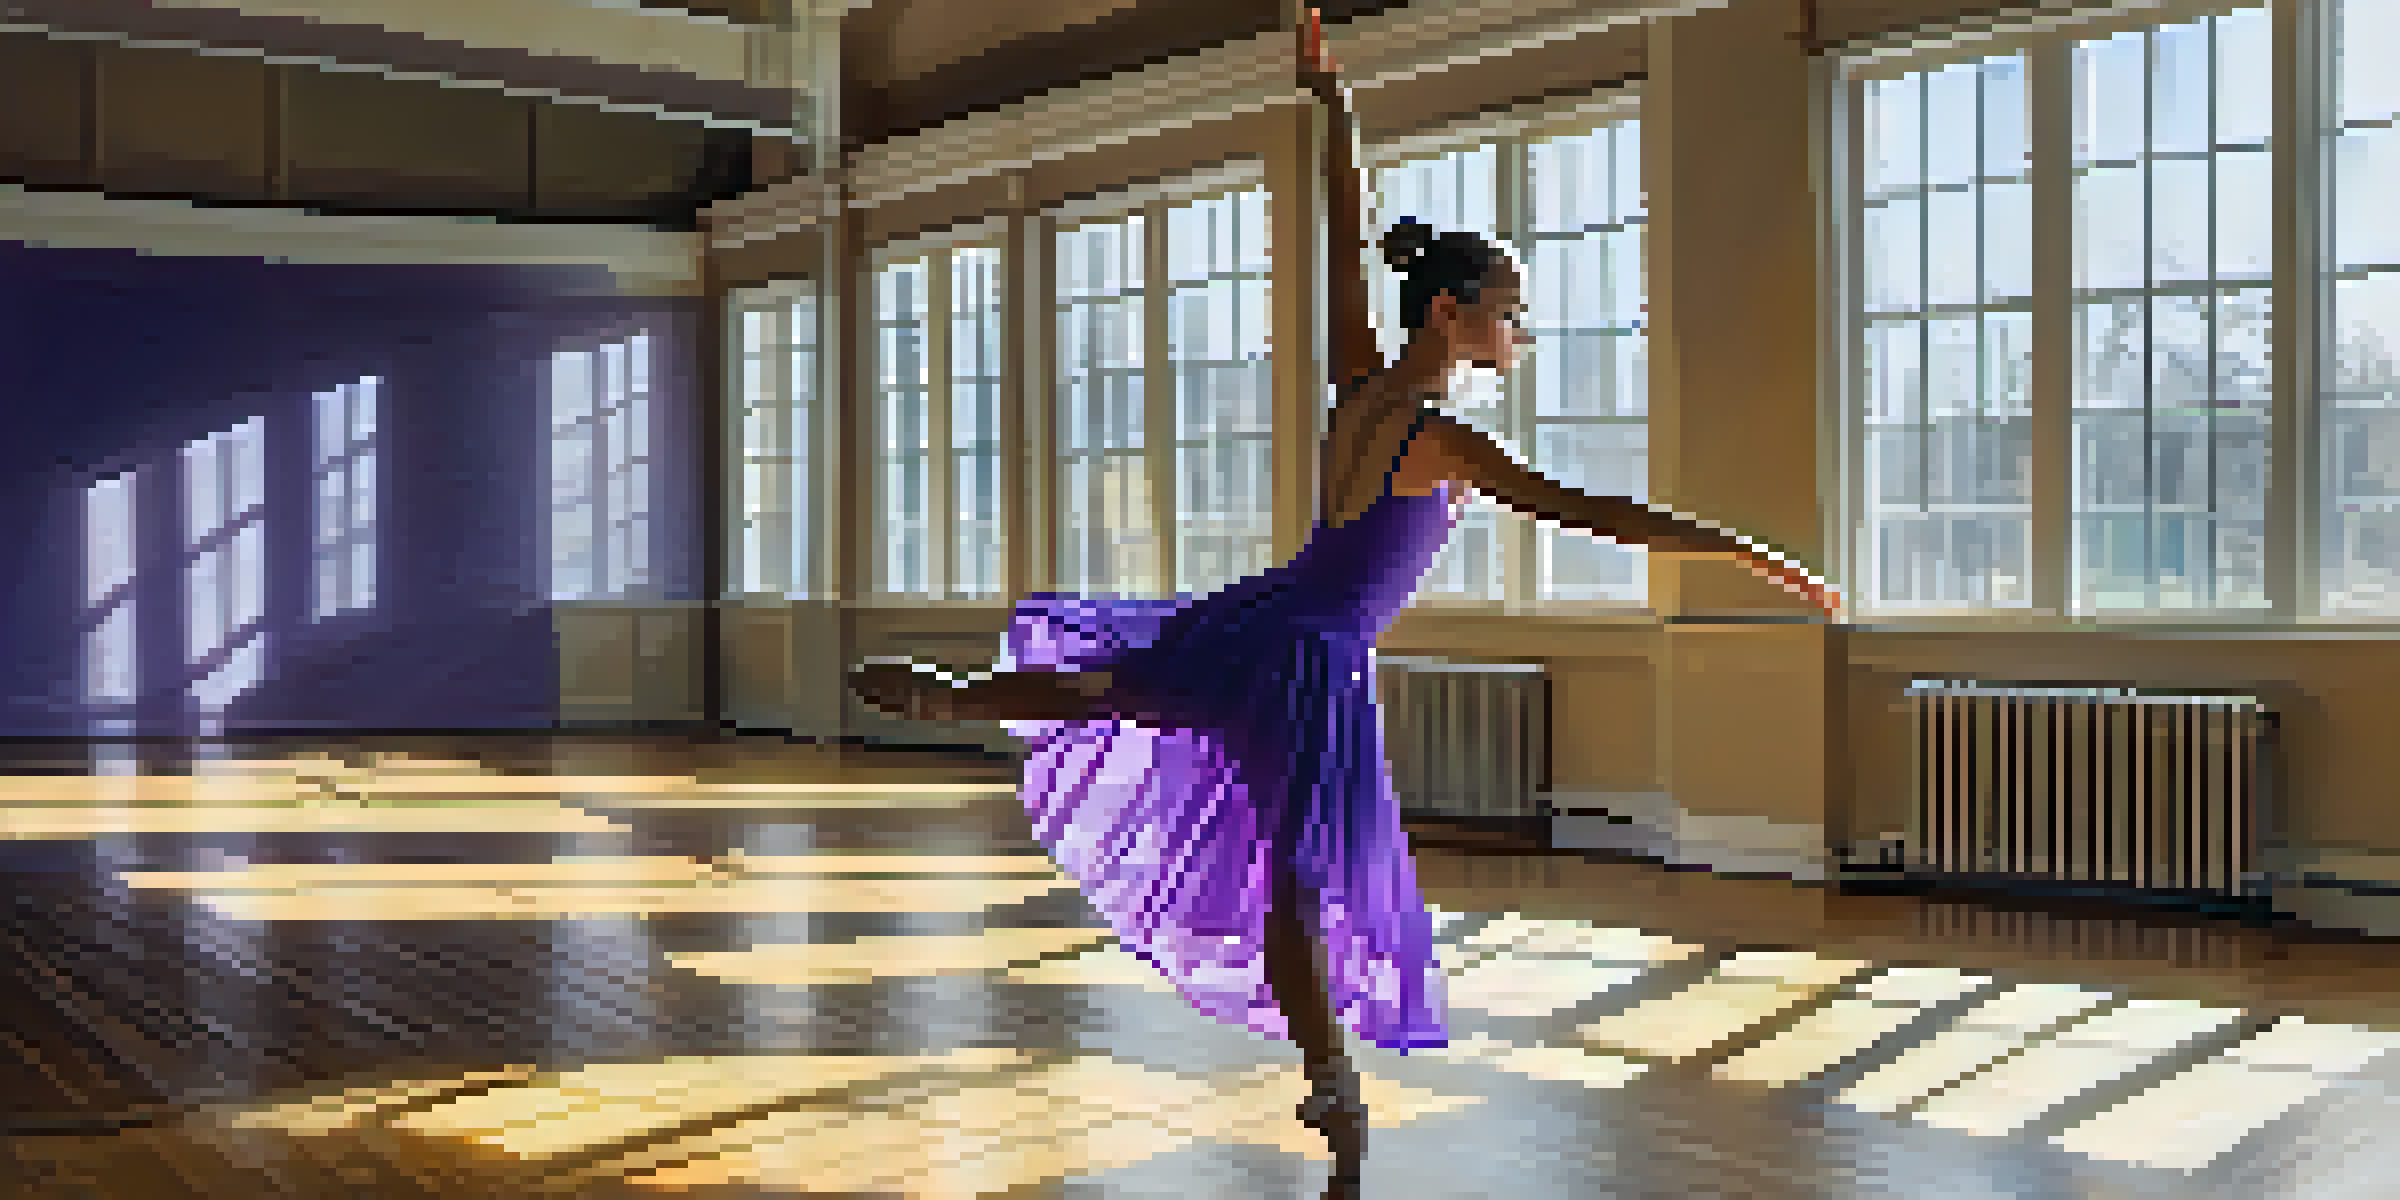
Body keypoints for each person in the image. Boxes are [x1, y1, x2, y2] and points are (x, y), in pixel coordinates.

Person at [850, 11, 1838, 1196]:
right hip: (1312, 655)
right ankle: (1328, 1070)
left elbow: (1338, 232)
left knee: (1120, 689)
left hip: (1268, 614)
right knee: (1294, 875)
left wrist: (1330, 108)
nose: (1517, 327)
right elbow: (1604, 516)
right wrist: (1758, 558)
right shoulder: (1440, 438)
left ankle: (958, 696)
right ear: (1450, 314)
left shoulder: (1357, 386)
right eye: (1507, 308)